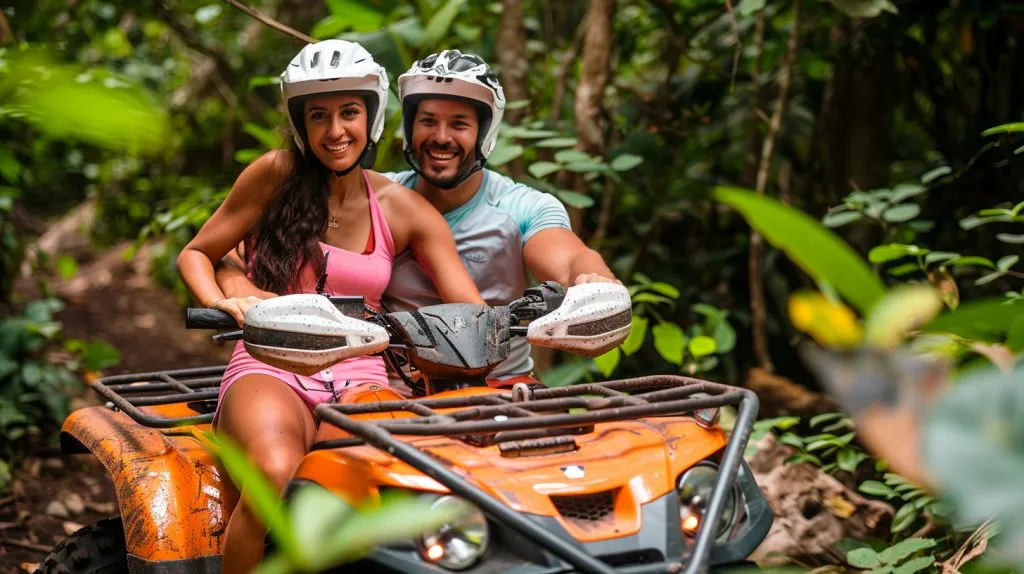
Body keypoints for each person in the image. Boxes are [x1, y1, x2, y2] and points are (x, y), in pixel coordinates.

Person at [176, 40, 484, 572]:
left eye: (349, 112)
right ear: (300, 123)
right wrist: (225, 300)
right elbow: (196, 253)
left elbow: (472, 309)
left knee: (382, 479)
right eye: (319, 116)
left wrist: (508, 323)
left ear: (372, 117)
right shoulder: (272, 176)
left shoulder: (402, 206)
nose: (335, 130)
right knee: (273, 474)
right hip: (270, 362)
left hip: (363, 371)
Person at [217, 49, 619, 390]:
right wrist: (240, 289)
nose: (440, 137)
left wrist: (594, 283)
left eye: (459, 124)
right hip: (384, 387)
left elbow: (569, 258)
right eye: (427, 121)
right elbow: (249, 246)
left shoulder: (520, 206)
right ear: (408, 129)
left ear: (485, 133)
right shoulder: (374, 197)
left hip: (497, 385)